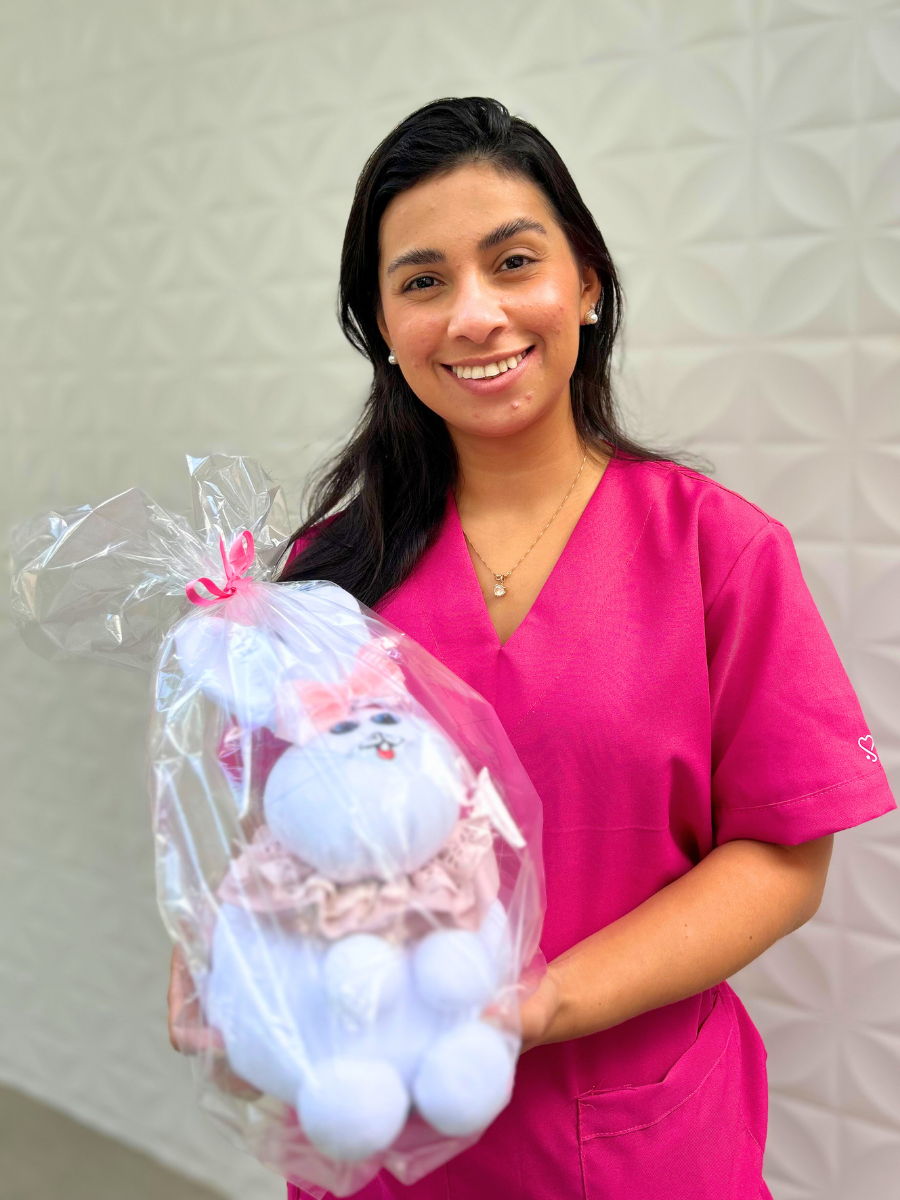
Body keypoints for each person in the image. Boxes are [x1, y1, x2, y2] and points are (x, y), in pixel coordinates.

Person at [169, 97, 896, 1200]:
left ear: (587, 283)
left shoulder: (718, 550)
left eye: (513, 262)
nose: (476, 316)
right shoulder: (325, 579)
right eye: (423, 281)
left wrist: (544, 1001)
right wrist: (226, 952)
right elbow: (277, 834)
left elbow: (783, 860)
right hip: (380, 1130)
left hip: (634, 1140)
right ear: (381, 326)